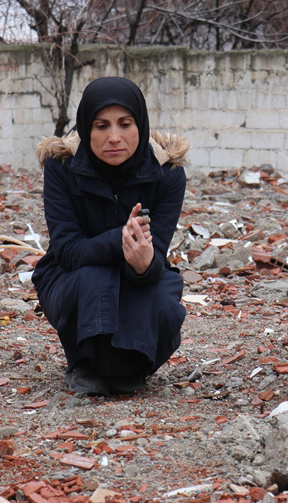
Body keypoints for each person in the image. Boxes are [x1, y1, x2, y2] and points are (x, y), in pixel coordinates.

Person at [32, 77, 188, 395]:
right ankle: (83, 362)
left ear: (140, 125)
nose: (114, 137)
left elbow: (157, 253)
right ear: (86, 128)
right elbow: (67, 250)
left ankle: (136, 363)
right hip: (71, 275)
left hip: (134, 277)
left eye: (125, 124)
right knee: (95, 276)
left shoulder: (167, 173)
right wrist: (120, 239)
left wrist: (143, 264)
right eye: (101, 126)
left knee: (161, 294)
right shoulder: (62, 167)